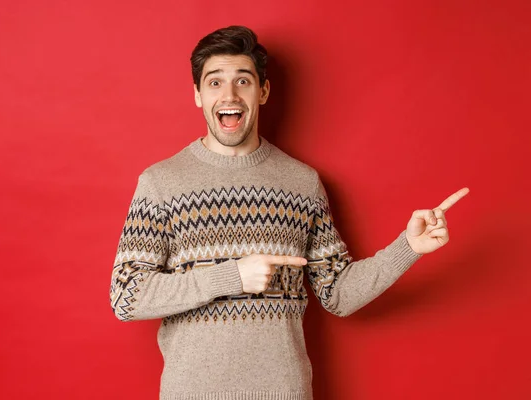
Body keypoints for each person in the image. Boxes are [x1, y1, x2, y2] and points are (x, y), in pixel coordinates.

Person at [109, 25, 469, 400]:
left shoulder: (302, 183)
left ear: (262, 91)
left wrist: (407, 247)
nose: (229, 94)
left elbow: (338, 294)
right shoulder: (161, 183)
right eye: (214, 83)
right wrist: (232, 276)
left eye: (243, 81)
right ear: (197, 95)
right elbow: (126, 296)